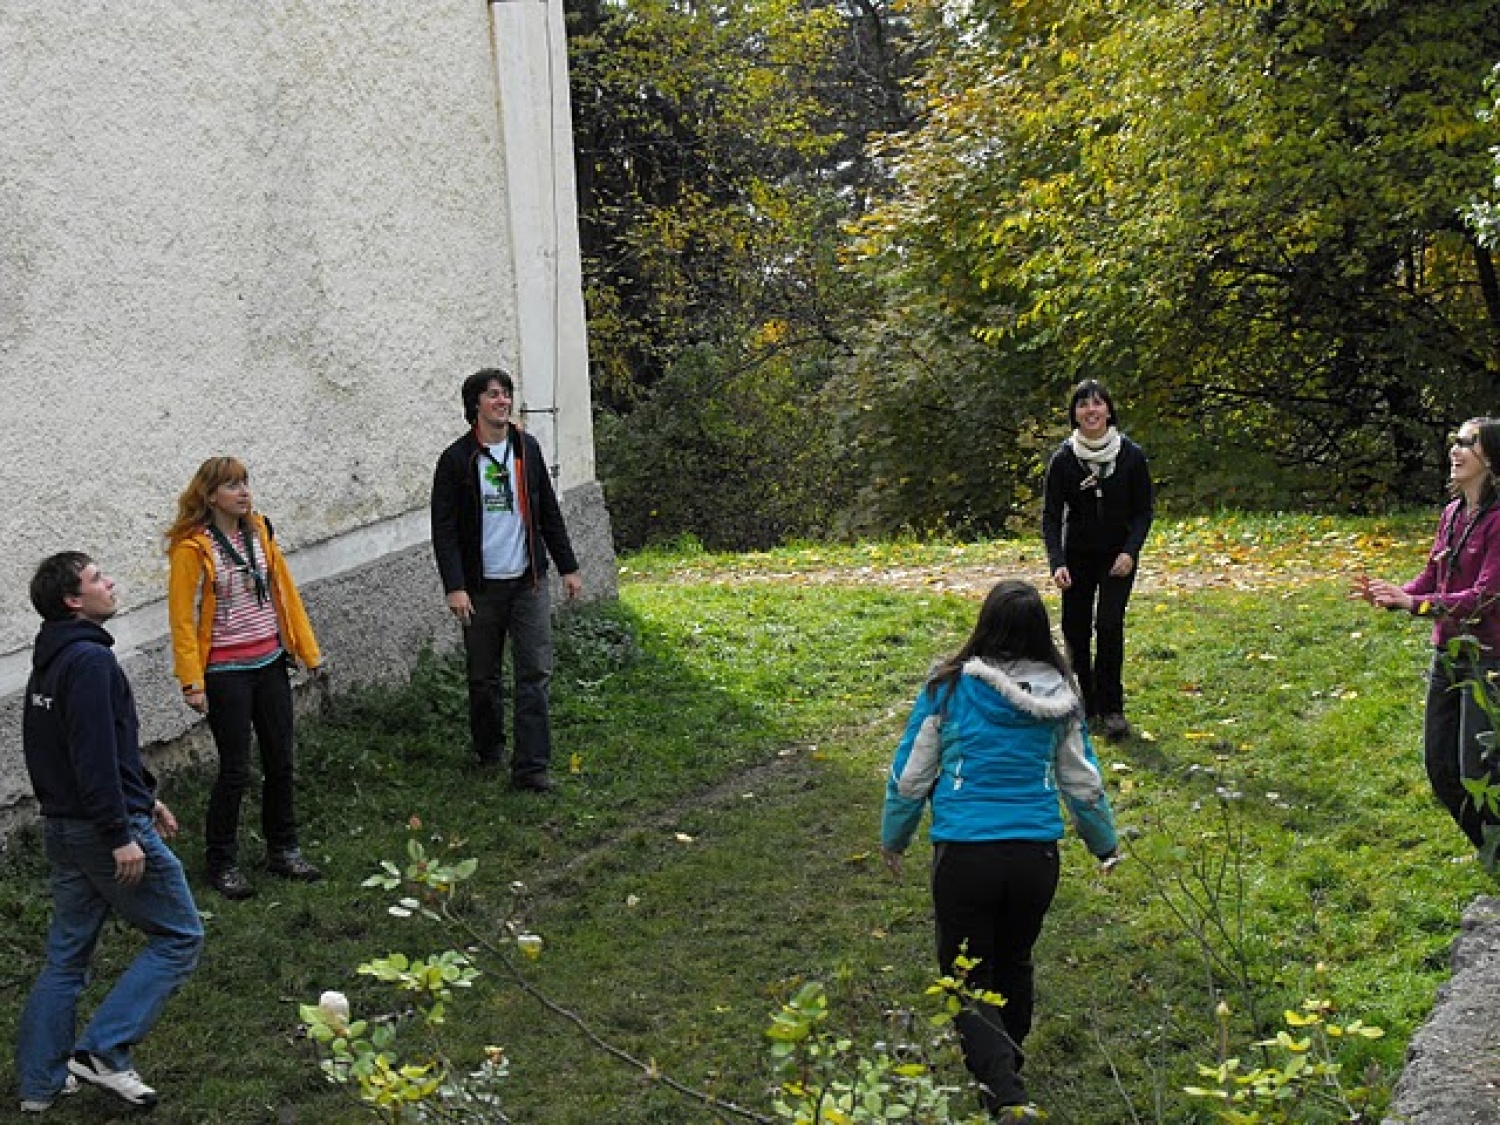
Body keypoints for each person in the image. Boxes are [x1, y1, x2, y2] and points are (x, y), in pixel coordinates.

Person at [880, 580, 1119, 1117]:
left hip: (966, 856)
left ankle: (1005, 1092)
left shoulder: (948, 687)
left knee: (967, 976)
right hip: (1036, 859)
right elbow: (1083, 782)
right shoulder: (1062, 697)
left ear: (984, 624)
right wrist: (1104, 844)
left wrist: (894, 836)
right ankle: (1005, 1071)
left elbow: (911, 775)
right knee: (1014, 961)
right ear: (1041, 631)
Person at [17, 553, 204, 1113]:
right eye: (97, 579)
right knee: (180, 936)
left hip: (66, 828)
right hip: (104, 832)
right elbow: (94, 757)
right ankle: (103, 1051)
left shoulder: (50, 660)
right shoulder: (91, 664)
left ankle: (38, 1085)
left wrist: (146, 796)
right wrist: (122, 832)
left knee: (66, 958)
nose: (110, 583)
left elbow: (85, 750)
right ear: (74, 600)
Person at [166, 457, 326, 900]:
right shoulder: (192, 547)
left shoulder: (261, 531)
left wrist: (307, 651)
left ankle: (283, 849)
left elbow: (285, 593)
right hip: (225, 672)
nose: (243, 492)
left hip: (270, 661)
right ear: (209, 495)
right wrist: (192, 682)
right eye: (232, 485)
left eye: (246, 483)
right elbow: (182, 619)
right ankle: (222, 861)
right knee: (235, 769)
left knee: (281, 760)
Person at [430, 367, 583, 790]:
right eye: (493, 394)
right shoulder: (457, 460)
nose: (503, 401)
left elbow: (548, 513)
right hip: (481, 588)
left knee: (534, 673)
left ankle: (531, 768)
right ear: (475, 405)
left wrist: (568, 566)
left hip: (527, 583)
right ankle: (489, 751)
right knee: (483, 677)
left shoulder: (526, 450)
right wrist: (454, 586)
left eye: (507, 394)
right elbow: (443, 530)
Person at [1355, 417, 1500, 854]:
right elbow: (1432, 578)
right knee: (1440, 767)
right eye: (1454, 441)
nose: (1455, 450)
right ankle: (1490, 851)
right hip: (1448, 656)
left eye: (1468, 443)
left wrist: (1413, 603)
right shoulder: (1452, 515)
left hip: (1489, 662)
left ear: (1491, 458)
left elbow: (1485, 597)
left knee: (1480, 770)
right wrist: (1395, 593)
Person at [1041, 379, 1154, 740]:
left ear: (1109, 410)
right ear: (1074, 414)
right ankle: (1083, 704)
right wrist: (1057, 562)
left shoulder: (1131, 456)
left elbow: (1143, 512)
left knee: (1108, 625)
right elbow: (1050, 516)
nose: (1091, 411)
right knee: (1075, 629)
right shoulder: (1064, 459)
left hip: (1117, 558)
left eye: (1098, 403)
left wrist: (1130, 552)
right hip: (1076, 557)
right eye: (1083, 405)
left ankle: (1112, 708)